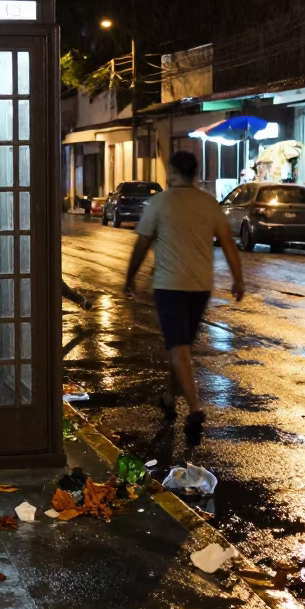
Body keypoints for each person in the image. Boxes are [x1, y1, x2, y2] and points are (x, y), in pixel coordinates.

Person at [124, 150, 244, 430]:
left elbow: (141, 245)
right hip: (200, 287)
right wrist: (239, 279)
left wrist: (129, 278)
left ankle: (194, 408)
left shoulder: (160, 202)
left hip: (169, 285)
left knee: (179, 348)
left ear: (174, 172)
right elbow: (228, 243)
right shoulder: (208, 203)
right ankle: (169, 397)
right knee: (182, 347)